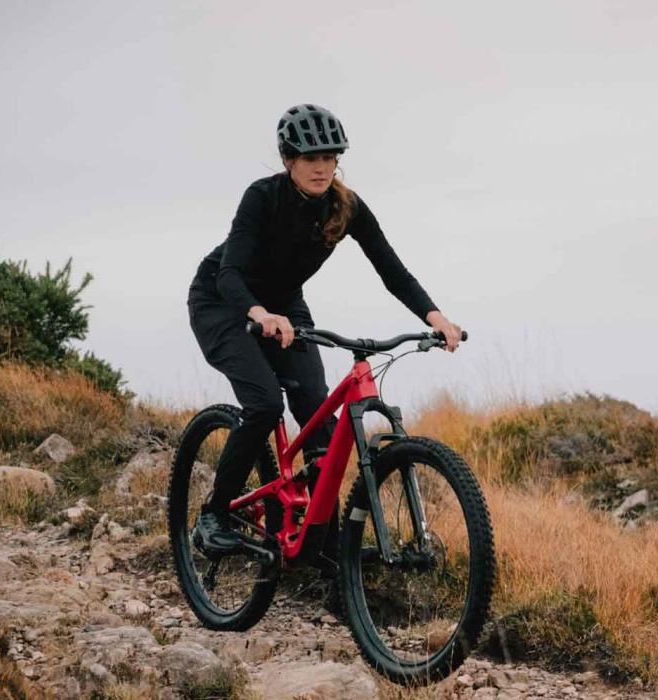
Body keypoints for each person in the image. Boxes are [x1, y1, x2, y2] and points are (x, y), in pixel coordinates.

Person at [186, 103, 463, 554]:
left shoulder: (346, 207)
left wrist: (436, 318)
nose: (321, 167)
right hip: (223, 301)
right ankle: (213, 515)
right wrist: (260, 314)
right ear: (288, 160)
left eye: (329, 158)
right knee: (262, 403)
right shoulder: (262, 197)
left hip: (284, 305)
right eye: (310, 158)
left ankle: (322, 548)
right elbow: (229, 273)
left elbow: (391, 269)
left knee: (319, 418)